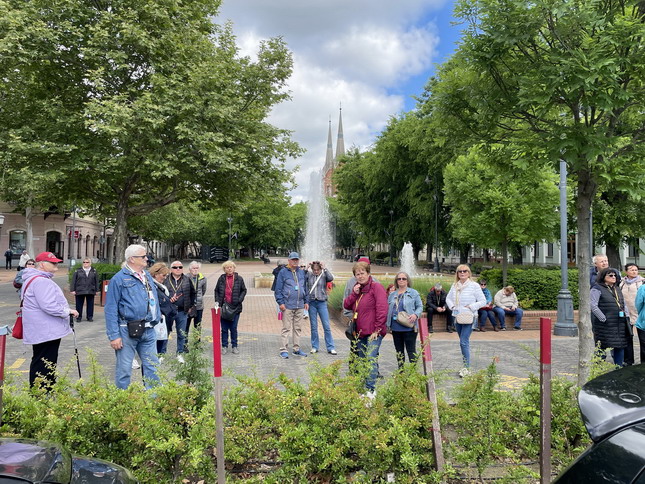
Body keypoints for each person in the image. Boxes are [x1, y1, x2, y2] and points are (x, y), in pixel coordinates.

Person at [104, 245, 160, 389]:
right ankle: (123, 398)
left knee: (153, 366)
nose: (146, 258)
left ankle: (154, 398)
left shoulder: (146, 275)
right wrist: (114, 336)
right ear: (132, 259)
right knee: (124, 369)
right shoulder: (119, 279)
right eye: (143, 256)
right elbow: (110, 309)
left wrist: (156, 317)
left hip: (148, 328)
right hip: (127, 330)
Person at [21, 252, 78, 389]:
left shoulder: (32, 278)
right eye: (52, 263)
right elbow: (49, 305)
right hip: (46, 330)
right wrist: (68, 311)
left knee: (41, 360)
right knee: (45, 363)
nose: (56, 265)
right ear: (42, 264)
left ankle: (39, 392)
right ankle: (42, 393)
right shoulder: (41, 281)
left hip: (40, 329)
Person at [343, 261, 388, 399]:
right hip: (360, 333)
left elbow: (382, 308)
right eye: (357, 274)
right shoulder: (359, 290)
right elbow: (346, 305)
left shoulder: (376, 287)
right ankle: (364, 388)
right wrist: (354, 294)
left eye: (362, 273)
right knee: (362, 360)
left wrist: (378, 329)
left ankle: (371, 390)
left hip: (374, 332)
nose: (360, 276)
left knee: (370, 359)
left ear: (368, 273)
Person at [446, 264, 486, 377]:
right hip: (458, 316)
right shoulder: (455, 285)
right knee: (463, 342)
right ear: (457, 274)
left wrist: (471, 306)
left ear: (469, 273)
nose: (462, 273)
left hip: (469, 316)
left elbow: (483, 301)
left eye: (465, 271)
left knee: (463, 342)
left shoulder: (474, 286)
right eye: (460, 271)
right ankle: (465, 365)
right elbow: (448, 298)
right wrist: (452, 307)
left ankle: (466, 368)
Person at [591, 268, 631, 367]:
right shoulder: (597, 288)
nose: (614, 277)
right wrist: (603, 318)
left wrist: (627, 316)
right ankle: (598, 368)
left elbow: (623, 304)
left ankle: (618, 367)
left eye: (615, 275)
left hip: (619, 323)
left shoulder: (617, 289)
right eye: (610, 275)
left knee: (620, 345)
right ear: (603, 277)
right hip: (604, 324)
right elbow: (593, 305)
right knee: (602, 346)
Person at [274, 252, 309, 358]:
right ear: (289, 260)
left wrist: (306, 301)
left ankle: (296, 349)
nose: (295, 261)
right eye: (293, 259)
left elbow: (305, 288)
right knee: (286, 328)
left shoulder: (301, 272)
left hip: (300, 305)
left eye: (296, 259)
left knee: (298, 328)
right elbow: (278, 289)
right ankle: (283, 349)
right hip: (287, 305)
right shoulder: (283, 272)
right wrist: (280, 302)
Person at [159, 260, 195, 363]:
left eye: (180, 267)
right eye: (175, 267)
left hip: (182, 311)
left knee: (181, 333)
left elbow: (193, 293)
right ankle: (161, 354)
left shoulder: (187, 279)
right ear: (171, 269)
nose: (178, 269)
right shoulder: (165, 279)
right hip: (168, 311)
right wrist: (167, 300)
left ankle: (180, 353)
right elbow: (160, 293)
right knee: (165, 333)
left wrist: (190, 306)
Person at [387, 272, 423, 369]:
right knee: (399, 352)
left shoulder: (413, 293)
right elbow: (388, 308)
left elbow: (420, 306)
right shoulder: (392, 295)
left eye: (404, 278)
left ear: (407, 281)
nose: (401, 280)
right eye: (399, 279)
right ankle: (401, 372)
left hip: (409, 326)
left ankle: (413, 372)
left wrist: (415, 314)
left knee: (411, 351)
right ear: (396, 281)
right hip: (395, 327)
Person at [215, 260, 247, 355]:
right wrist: (217, 302)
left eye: (231, 267)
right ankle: (224, 346)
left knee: (233, 328)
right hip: (224, 307)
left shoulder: (239, 279)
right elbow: (216, 290)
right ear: (224, 269)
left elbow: (244, 290)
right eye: (227, 267)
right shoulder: (221, 279)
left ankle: (234, 346)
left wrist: (239, 300)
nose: (229, 269)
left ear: (234, 268)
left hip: (235, 307)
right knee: (224, 328)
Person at [306, 261, 336, 355]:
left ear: (320, 269)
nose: (316, 271)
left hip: (322, 302)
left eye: (318, 270)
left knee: (326, 326)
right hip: (312, 303)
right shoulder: (309, 275)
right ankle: (315, 346)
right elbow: (302, 278)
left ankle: (330, 347)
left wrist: (325, 268)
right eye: (314, 270)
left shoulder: (323, 275)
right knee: (313, 326)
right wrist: (306, 268)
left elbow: (331, 278)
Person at [620, 263, 642, 365]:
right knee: (627, 338)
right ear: (626, 271)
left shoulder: (642, 282)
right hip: (626, 314)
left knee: (643, 339)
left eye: (636, 270)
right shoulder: (622, 283)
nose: (634, 271)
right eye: (632, 270)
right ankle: (628, 361)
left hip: (640, 314)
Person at [70, 258, 98, 322]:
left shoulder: (94, 271)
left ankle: (89, 317)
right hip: (80, 290)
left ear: (90, 263)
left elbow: (96, 281)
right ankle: (78, 317)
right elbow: (73, 281)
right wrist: (72, 290)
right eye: (84, 262)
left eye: (87, 262)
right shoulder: (78, 271)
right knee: (79, 305)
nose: (85, 263)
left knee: (90, 305)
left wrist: (96, 290)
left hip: (90, 290)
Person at [186, 261, 207, 341]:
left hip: (199, 306)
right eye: (194, 268)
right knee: (186, 326)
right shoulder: (185, 278)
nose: (195, 270)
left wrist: (199, 298)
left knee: (197, 326)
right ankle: (184, 344)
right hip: (188, 306)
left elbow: (203, 291)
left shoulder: (203, 278)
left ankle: (197, 344)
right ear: (190, 269)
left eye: (197, 268)